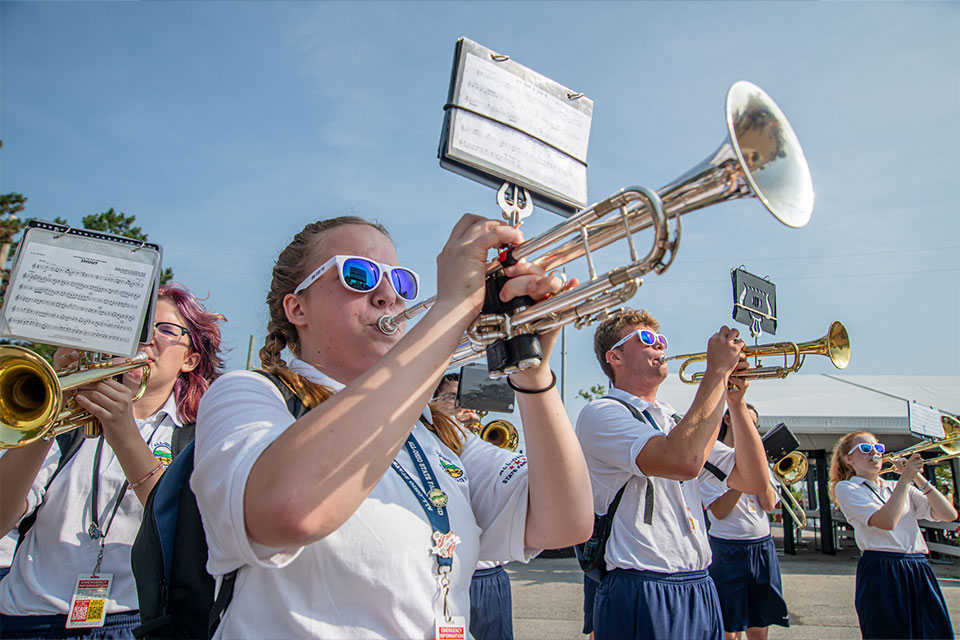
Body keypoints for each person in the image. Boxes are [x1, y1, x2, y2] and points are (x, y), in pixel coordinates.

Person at [191, 215, 594, 638]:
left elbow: (564, 522)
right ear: (298, 308)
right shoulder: (250, 394)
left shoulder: (432, 427)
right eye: (358, 275)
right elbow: (290, 510)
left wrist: (532, 374)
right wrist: (452, 309)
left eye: (400, 282)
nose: (388, 295)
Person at [0, 284, 225, 638]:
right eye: (136, 329)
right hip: (25, 619)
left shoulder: (197, 437)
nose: (147, 341)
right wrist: (50, 409)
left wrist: (123, 432)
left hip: (130, 622)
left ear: (190, 360)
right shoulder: (68, 424)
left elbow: (183, 531)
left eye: (165, 330)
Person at [574, 308, 769, 640]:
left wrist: (735, 405)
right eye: (647, 339)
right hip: (642, 584)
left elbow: (752, 481)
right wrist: (717, 372)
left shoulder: (673, 419)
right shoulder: (601, 412)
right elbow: (683, 461)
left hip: (699, 583)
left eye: (661, 339)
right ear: (615, 356)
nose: (661, 347)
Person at [831, 431, 957, 640]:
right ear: (848, 459)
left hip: (917, 565)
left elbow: (948, 514)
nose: (874, 454)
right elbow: (886, 521)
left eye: (878, 448)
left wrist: (917, 476)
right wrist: (906, 479)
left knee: (932, 632)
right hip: (881, 567)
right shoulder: (847, 487)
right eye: (865, 449)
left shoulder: (896, 487)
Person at [698, 403, 790, 640]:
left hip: (762, 547)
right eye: (747, 421)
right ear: (729, 420)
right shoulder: (712, 456)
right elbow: (719, 510)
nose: (752, 428)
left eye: (755, 425)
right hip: (727, 548)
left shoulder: (759, 459)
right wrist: (742, 475)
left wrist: (758, 470)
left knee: (759, 624)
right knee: (729, 627)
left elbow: (769, 504)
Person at [433, 373, 513, 640]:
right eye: (452, 397)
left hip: (490, 575)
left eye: (467, 398)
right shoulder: (428, 445)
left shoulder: (484, 439)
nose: (461, 405)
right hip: (446, 574)